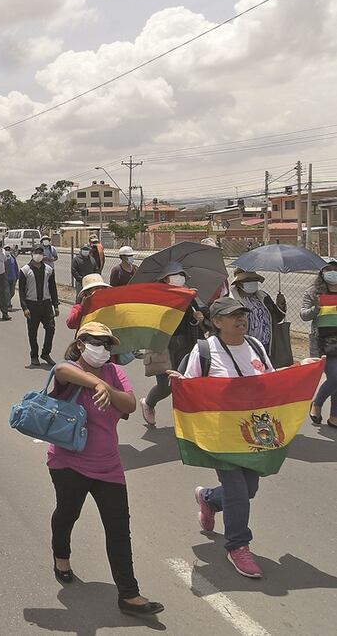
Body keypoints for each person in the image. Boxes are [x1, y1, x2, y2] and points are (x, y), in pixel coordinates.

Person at [172, 297, 315, 578]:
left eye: (242, 314)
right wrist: (179, 383)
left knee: (248, 490)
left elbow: (271, 384)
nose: (241, 319)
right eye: (232, 315)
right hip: (221, 437)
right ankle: (238, 545)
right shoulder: (205, 351)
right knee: (238, 492)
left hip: (253, 435)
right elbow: (192, 392)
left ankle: (210, 499)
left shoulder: (256, 346)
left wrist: (302, 369)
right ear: (217, 322)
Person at [46, 323, 164, 617]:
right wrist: (94, 383)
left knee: (118, 528)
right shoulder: (70, 369)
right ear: (80, 344)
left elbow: (129, 404)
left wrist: (106, 386)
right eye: (94, 342)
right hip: (69, 462)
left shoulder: (114, 373)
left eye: (106, 344)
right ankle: (61, 556)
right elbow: (60, 371)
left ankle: (129, 594)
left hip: (108, 464)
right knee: (67, 513)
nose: (100, 348)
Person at [139, 263, 206, 425]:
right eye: (175, 275)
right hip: (162, 346)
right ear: (165, 278)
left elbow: (194, 320)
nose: (179, 278)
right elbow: (148, 320)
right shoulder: (155, 296)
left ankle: (186, 420)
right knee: (165, 387)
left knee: (185, 383)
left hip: (185, 344)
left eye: (182, 275)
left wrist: (197, 318)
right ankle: (148, 403)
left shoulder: (189, 294)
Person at [301, 259, 337, 427]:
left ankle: (334, 416)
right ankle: (317, 403)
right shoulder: (313, 292)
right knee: (335, 377)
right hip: (323, 342)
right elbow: (304, 315)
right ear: (322, 273)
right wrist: (316, 307)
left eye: (335, 269)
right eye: (328, 269)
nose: (332, 272)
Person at [229, 269, 286, 360]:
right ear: (239, 283)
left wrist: (280, 305)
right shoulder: (231, 301)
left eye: (254, 280)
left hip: (266, 346)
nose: (252, 282)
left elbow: (277, 318)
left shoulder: (263, 296)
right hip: (245, 347)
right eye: (248, 280)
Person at [18, 246, 59, 367]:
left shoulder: (48, 269)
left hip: (46, 304)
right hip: (32, 305)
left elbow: (53, 287)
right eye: (36, 253)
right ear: (31, 254)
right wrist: (24, 307)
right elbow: (21, 291)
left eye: (40, 253)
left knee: (51, 329)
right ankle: (34, 356)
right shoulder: (25, 270)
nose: (38, 255)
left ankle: (46, 353)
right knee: (32, 332)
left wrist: (55, 305)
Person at [4, 245, 20, 310]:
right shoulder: (2, 258)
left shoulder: (12, 257)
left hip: (13, 277)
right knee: (7, 292)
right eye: (6, 249)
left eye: (8, 249)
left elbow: (16, 267)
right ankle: (8, 305)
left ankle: (5, 301)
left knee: (12, 292)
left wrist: (17, 276)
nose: (7, 251)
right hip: (5, 278)